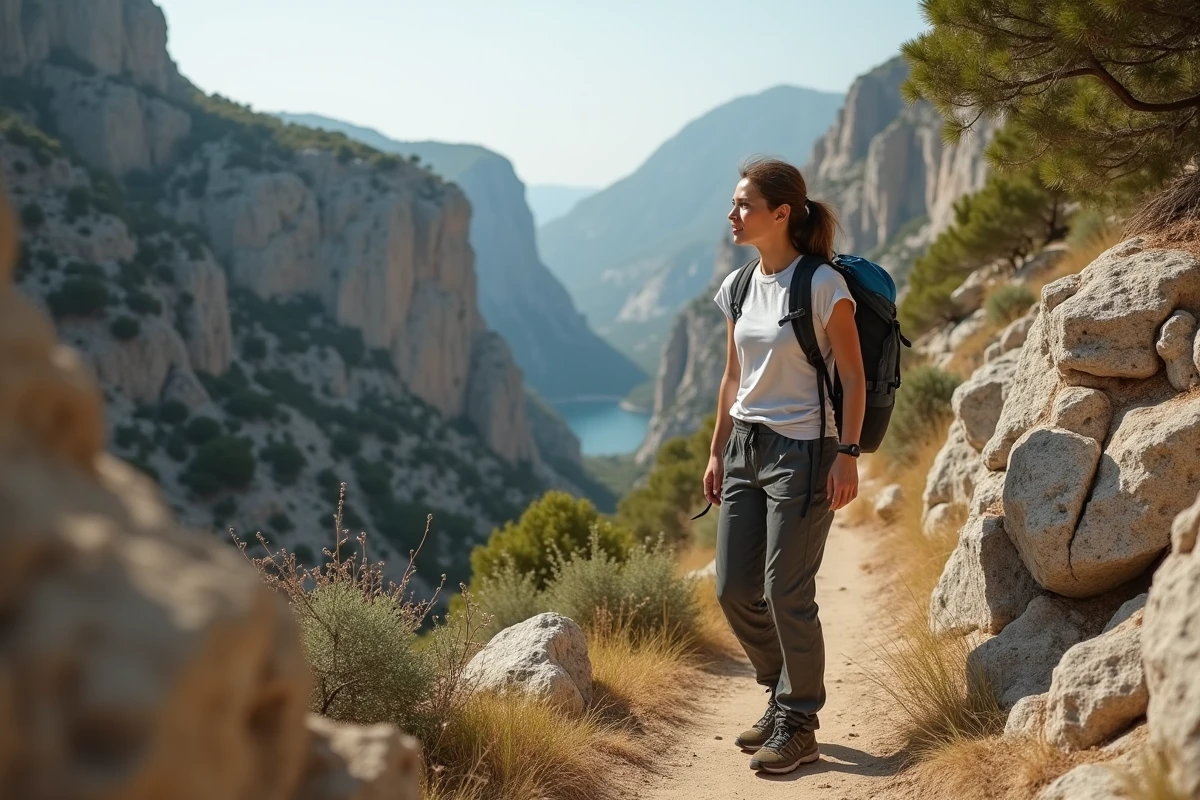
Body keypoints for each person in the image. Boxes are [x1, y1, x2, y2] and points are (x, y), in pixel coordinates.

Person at [704, 157, 865, 774]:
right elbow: (732, 376)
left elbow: (851, 375)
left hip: (804, 451)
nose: (733, 214)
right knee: (733, 588)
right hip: (745, 445)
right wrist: (718, 450)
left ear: (782, 213)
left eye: (744, 204)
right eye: (734, 202)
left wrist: (846, 454)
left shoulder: (823, 285)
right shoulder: (739, 286)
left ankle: (799, 721)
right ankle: (779, 694)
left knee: (785, 590)